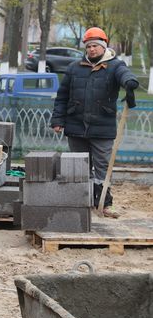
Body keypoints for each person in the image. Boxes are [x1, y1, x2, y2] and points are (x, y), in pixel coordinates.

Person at [51, 27, 138, 218]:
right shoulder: (74, 67)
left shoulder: (115, 65)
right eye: (89, 46)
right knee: (80, 166)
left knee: (102, 166)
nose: (91, 49)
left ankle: (105, 203)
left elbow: (124, 74)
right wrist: (58, 119)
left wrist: (130, 83)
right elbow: (62, 96)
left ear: (103, 47)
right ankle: (84, 202)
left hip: (102, 127)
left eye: (95, 46)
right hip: (76, 126)